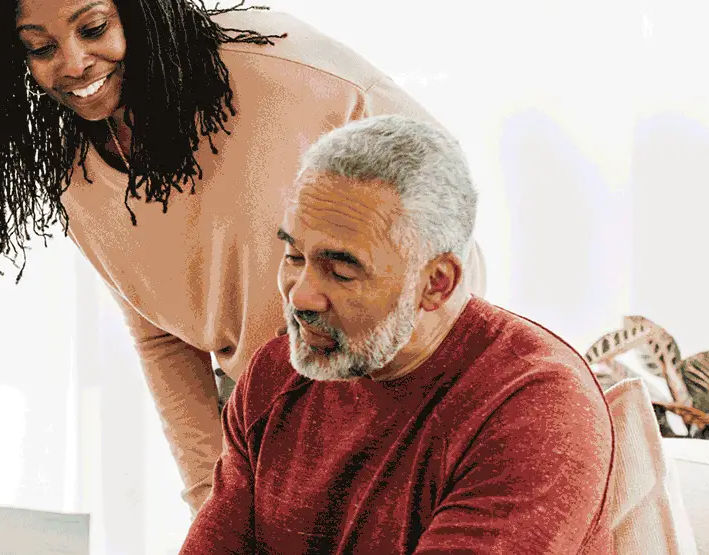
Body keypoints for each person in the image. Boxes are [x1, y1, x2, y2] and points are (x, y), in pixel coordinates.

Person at [0, 0, 489, 513]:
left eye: (94, 27)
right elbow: (162, 337)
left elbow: (444, 196)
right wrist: (211, 496)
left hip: (404, 392)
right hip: (264, 419)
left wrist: (406, 394)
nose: (74, 64)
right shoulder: (72, 172)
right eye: (40, 48)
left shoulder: (280, 68)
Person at [180, 115, 614, 553]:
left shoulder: (536, 407)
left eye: (341, 271)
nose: (300, 296)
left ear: (436, 283)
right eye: (294, 256)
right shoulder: (274, 377)